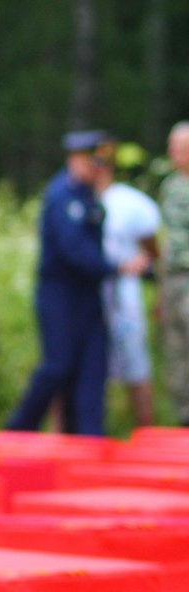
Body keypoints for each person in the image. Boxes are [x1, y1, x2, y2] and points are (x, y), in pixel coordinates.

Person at [6, 131, 149, 436]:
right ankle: (19, 429)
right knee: (58, 365)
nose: (96, 168)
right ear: (75, 159)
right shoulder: (62, 195)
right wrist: (117, 267)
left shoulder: (89, 195)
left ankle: (89, 437)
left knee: (92, 369)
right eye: (91, 161)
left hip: (89, 294)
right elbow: (75, 251)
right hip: (61, 294)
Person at [94, 146, 159, 428]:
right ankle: (96, 430)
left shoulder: (130, 202)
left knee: (136, 363)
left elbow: (153, 245)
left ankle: (146, 430)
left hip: (125, 293)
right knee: (94, 367)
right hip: (93, 294)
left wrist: (141, 262)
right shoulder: (79, 198)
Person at [159, 121, 189, 426]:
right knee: (176, 353)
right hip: (174, 279)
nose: (173, 153)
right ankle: (184, 420)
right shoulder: (171, 186)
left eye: (179, 147)